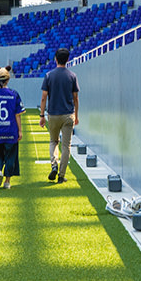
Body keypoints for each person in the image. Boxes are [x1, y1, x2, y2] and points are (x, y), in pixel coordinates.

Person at [39, 47, 79, 183]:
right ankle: (61, 176)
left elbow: (44, 97)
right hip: (68, 115)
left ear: (55, 59)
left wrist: (42, 116)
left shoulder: (49, 75)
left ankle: (54, 165)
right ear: (67, 60)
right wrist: (76, 115)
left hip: (53, 115)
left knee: (53, 141)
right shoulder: (72, 76)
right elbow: (75, 98)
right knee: (66, 146)